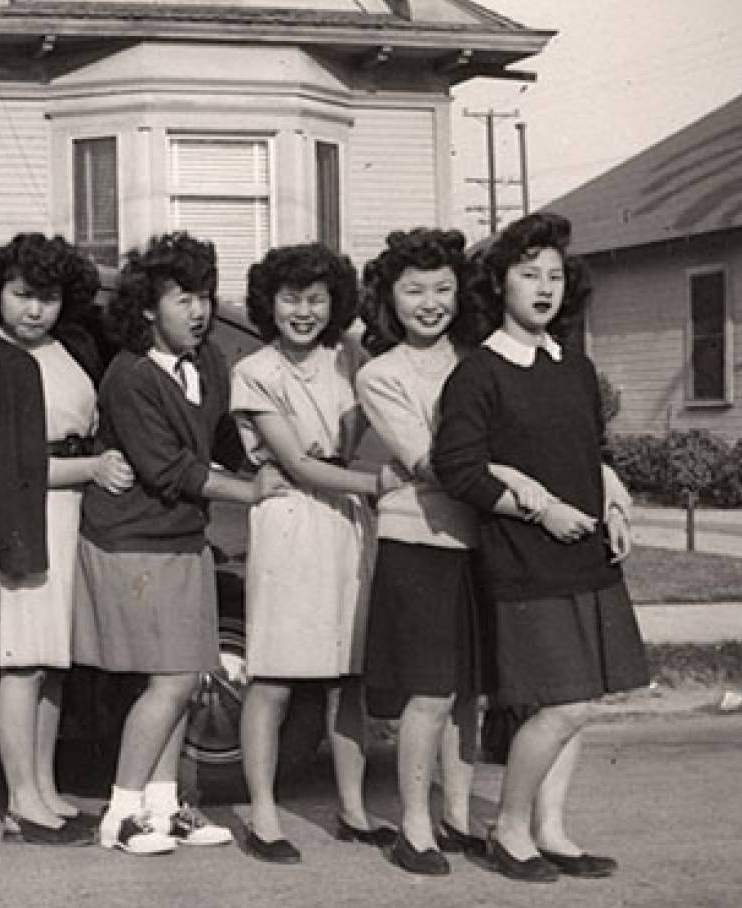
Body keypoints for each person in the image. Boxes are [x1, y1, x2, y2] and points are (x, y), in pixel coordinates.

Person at [433, 211, 647, 884]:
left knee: (581, 702)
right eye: (529, 274)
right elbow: (459, 469)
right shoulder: (479, 374)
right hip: (525, 560)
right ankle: (509, 827)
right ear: (499, 285)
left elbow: (592, 451)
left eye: (555, 275)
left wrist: (612, 498)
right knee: (564, 703)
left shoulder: (574, 366)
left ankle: (551, 829)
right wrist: (540, 508)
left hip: (588, 555)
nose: (544, 288)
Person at [73, 232, 278, 856]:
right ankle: (123, 812)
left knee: (186, 679)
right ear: (146, 309)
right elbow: (170, 471)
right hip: (132, 542)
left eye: (205, 297)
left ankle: (165, 809)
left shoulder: (208, 360)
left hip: (182, 538)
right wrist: (253, 492)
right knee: (170, 680)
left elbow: (217, 440)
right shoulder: (129, 378)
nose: (199, 311)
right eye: (183, 299)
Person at [0, 233, 128, 847]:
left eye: (47, 298)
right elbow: (3, 468)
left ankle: (44, 787)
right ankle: (20, 801)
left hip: (74, 512)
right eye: (22, 296)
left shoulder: (71, 348)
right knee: (22, 664)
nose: (33, 311)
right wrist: (93, 468)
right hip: (26, 518)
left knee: (54, 665)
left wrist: (93, 465)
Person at [230, 242, 400, 864]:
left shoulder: (350, 356)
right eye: (290, 298)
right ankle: (265, 814)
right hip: (292, 522)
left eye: (316, 299)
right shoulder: (254, 371)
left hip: (349, 524)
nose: (303, 311)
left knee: (349, 676)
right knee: (273, 676)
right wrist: (377, 486)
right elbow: (298, 462)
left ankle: (352, 809)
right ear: (268, 304)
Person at [354, 228, 495, 875]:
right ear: (391, 298)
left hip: (481, 539)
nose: (430, 302)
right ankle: (414, 826)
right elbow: (429, 462)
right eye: (414, 290)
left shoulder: (479, 356)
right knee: (431, 692)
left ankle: (458, 818)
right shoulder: (380, 375)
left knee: (470, 692)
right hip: (419, 540)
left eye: (443, 288)